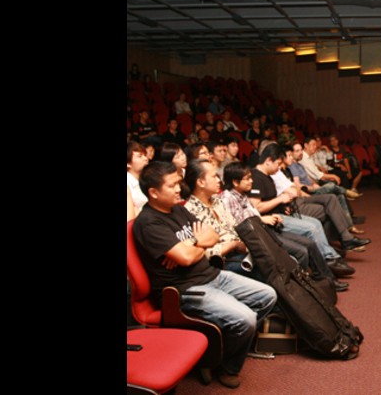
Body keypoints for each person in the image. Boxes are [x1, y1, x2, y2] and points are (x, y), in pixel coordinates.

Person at [132, 161, 277, 389]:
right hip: (184, 289)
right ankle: (225, 365)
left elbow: (212, 236)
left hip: (212, 274)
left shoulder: (178, 209)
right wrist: (192, 248)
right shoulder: (149, 222)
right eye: (172, 186)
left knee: (268, 295)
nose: (179, 189)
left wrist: (190, 243)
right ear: (153, 192)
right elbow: (187, 258)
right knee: (246, 319)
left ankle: (218, 351)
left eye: (179, 183)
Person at [219, 161, 353, 291]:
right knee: (301, 251)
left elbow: (252, 214)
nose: (251, 182)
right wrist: (262, 219)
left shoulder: (242, 195)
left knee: (310, 243)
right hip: (257, 238)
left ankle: (327, 280)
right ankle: (306, 287)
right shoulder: (227, 198)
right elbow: (235, 225)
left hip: (265, 230)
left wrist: (263, 218)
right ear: (235, 182)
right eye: (247, 179)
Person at [128, 142, 150, 215]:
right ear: (128, 163)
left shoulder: (146, 178)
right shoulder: (128, 182)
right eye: (140, 156)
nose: (145, 158)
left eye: (145, 155)